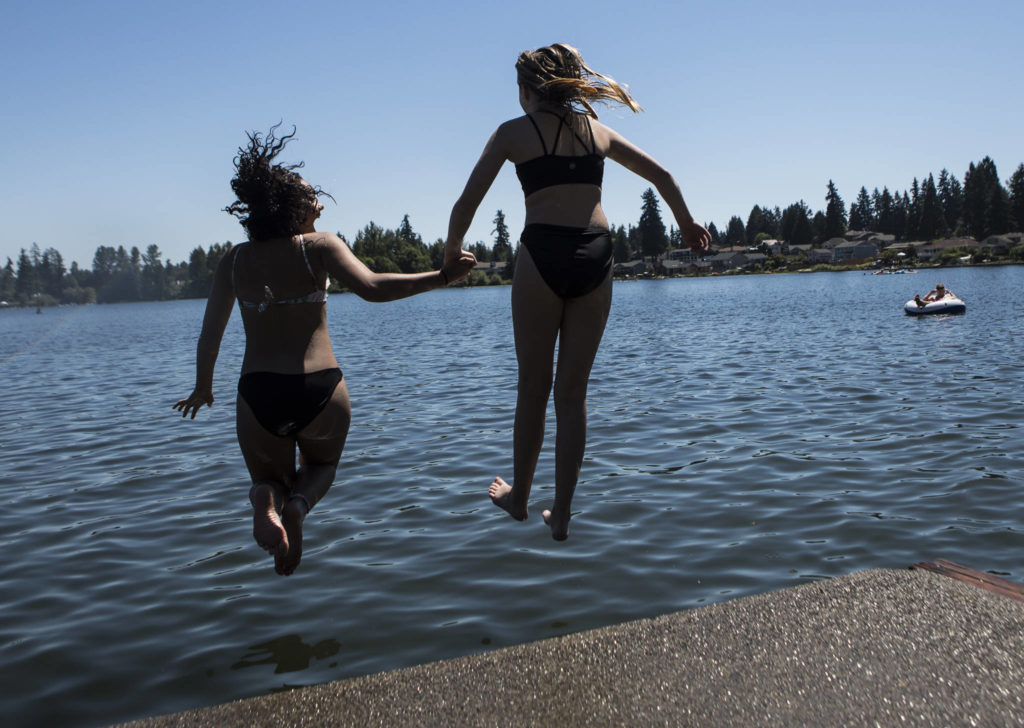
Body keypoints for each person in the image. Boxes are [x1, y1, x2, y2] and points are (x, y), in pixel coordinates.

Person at [174, 125, 476, 575]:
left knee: (265, 478)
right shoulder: (318, 246)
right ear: (292, 208)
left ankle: (268, 500)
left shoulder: (234, 260)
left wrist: (203, 387)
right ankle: (299, 505)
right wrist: (443, 276)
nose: (319, 203)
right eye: (313, 197)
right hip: (320, 388)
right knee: (323, 464)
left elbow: (210, 334)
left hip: (259, 393)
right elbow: (372, 288)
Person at [444, 43, 710, 540]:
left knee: (532, 388)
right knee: (572, 395)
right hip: (595, 254)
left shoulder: (512, 133)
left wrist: (451, 255)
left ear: (527, 90)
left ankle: (520, 497)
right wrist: (688, 223)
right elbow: (663, 176)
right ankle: (562, 514)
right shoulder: (598, 132)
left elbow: (465, 204)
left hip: (542, 252)